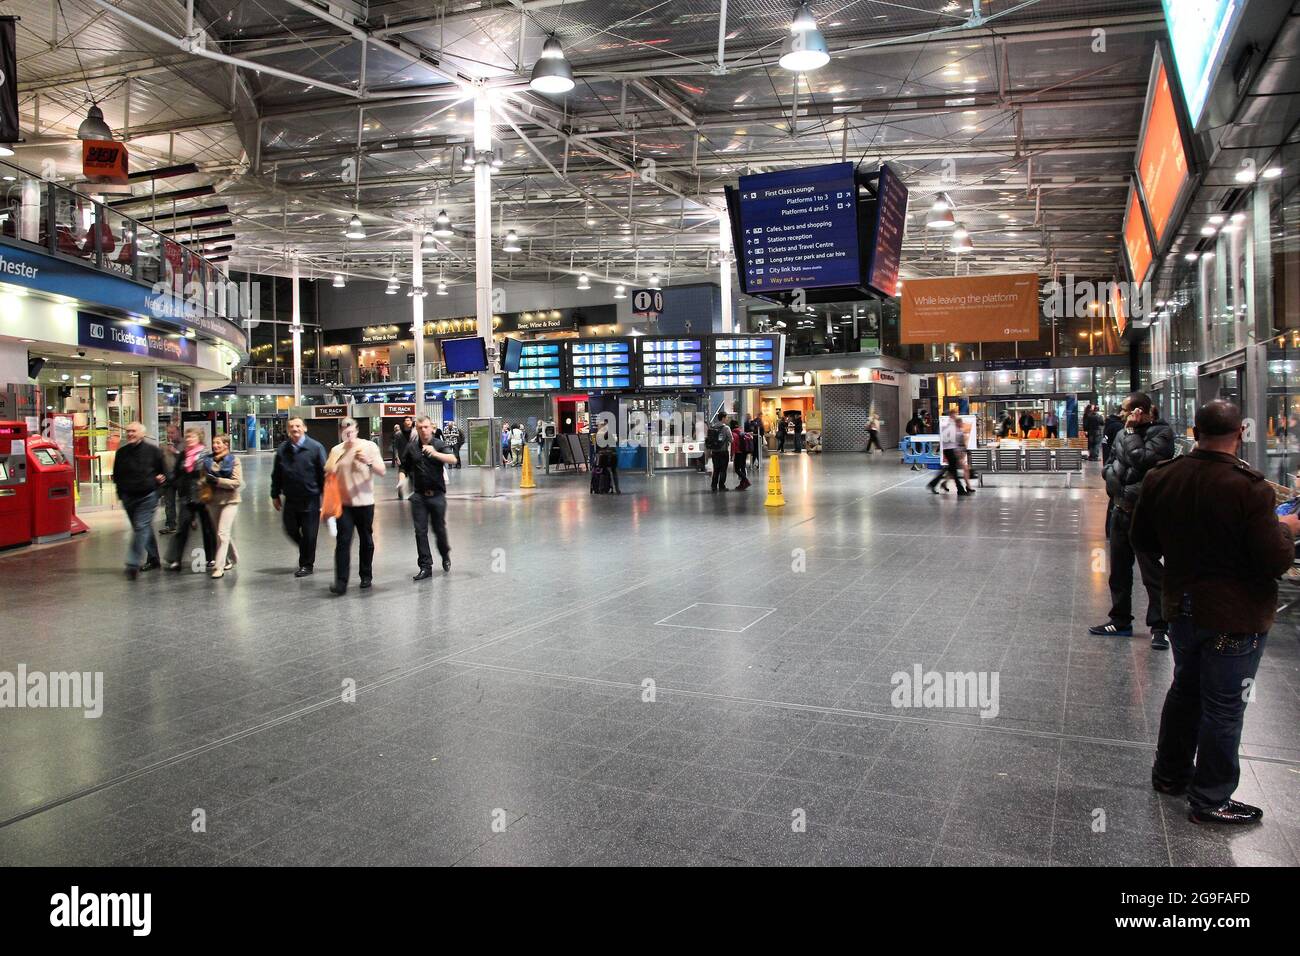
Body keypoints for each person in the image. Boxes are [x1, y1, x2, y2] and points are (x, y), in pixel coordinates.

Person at [1131, 400, 1299, 824]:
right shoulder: (1250, 489)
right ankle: (1211, 798)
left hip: (1181, 607)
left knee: (1185, 689)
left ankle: (1169, 774)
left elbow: (1144, 539)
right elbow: (1274, 559)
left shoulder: (1163, 477)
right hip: (1233, 615)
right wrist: (1288, 529)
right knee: (1225, 706)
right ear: (1239, 433)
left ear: (1194, 429)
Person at [1090, 392, 1175, 643]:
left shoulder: (1162, 434)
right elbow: (1112, 465)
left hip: (1146, 515)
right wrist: (1114, 479)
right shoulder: (1121, 434)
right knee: (1119, 571)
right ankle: (1120, 620)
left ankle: (1160, 627)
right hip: (1120, 509)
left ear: (1139, 412)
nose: (1122, 414)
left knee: (1151, 572)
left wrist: (1130, 436)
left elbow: (1142, 459)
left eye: (1126, 410)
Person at [325, 417, 386, 595]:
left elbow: (381, 471)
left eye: (350, 427)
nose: (348, 430)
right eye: (344, 428)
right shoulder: (336, 450)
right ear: (340, 431)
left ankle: (366, 575)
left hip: (365, 503)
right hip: (344, 505)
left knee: (366, 540)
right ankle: (341, 582)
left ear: (357, 429)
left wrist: (368, 461)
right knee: (343, 541)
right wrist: (333, 462)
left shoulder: (369, 447)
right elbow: (328, 471)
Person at [271, 417, 327, 577]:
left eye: (298, 426)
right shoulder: (283, 449)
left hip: (311, 499)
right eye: (291, 426)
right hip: (290, 499)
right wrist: (274, 494)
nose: (294, 429)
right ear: (288, 430)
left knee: (310, 534)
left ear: (305, 428)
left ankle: (306, 565)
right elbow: (277, 474)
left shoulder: (315, 448)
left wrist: (326, 498)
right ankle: (306, 549)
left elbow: (324, 474)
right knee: (290, 529)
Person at [403, 415, 458, 579]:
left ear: (431, 428)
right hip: (419, 496)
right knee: (420, 531)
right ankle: (425, 566)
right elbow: (404, 468)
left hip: (437, 496)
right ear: (416, 429)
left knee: (439, 530)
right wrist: (401, 479)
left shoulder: (438, 444)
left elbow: (453, 459)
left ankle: (445, 554)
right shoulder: (412, 448)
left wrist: (435, 454)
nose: (423, 430)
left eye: (426, 427)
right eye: (420, 428)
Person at [111, 421, 166, 579]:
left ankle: (132, 563)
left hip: (147, 496)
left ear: (142, 433)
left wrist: (158, 491)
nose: (130, 434)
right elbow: (117, 475)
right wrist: (121, 494)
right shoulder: (121, 453)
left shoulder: (153, 452)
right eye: (128, 431)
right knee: (142, 528)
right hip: (128, 496)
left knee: (141, 526)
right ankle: (154, 558)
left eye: (133, 431)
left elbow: (164, 473)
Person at [166, 427, 216, 572]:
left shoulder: (206, 455)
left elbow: (211, 473)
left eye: (192, 437)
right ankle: (176, 559)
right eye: (187, 437)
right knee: (183, 526)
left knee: (208, 527)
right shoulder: (183, 455)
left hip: (203, 495)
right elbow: (176, 474)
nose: (189, 440)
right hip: (186, 495)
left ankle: (211, 557)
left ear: (199, 438)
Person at [203, 433, 242, 579]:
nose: (215, 445)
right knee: (220, 533)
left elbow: (236, 482)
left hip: (230, 501)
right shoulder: (207, 461)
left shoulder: (234, 461)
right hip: (212, 501)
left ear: (226, 445)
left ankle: (219, 567)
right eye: (214, 443)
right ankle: (233, 556)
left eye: (219, 443)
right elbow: (202, 479)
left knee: (222, 533)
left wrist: (217, 481)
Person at [928, 408, 969, 496]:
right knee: (953, 470)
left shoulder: (950, 424)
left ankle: (934, 484)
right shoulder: (950, 425)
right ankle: (960, 489)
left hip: (949, 449)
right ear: (951, 415)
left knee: (951, 470)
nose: (956, 416)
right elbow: (952, 438)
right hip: (950, 449)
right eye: (955, 414)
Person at [158, 422, 181, 535]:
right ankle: (171, 525)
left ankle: (186, 523)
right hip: (168, 478)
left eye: (172, 433)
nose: (170, 435)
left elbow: (187, 459)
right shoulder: (163, 446)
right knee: (169, 503)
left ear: (178, 432)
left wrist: (176, 452)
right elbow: (159, 461)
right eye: (168, 433)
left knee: (184, 502)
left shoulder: (184, 445)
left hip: (181, 478)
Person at [707, 410, 732, 493]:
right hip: (723, 452)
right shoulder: (726, 428)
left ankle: (714, 486)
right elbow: (731, 439)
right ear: (723, 418)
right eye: (726, 417)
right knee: (723, 470)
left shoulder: (713, 426)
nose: (727, 419)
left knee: (716, 469)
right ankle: (721, 486)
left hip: (714, 452)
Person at [731, 418, 750, 490]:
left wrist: (732, 455)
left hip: (738, 453)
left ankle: (746, 481)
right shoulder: (741, 431)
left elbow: (734, 445)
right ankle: (742, 484)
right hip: (744, 452)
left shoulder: (734, 433)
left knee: (736, 469)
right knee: (742, 468)